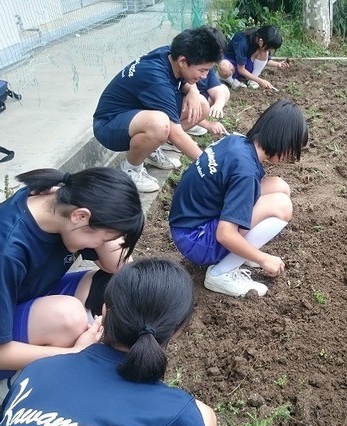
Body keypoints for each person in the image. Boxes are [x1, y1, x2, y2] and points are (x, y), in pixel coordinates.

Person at [0, 167, 144, 385]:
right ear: (80, 216)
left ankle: (48, 353)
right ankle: (24, 382)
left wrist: (111, 222)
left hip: (18, 297)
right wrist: (76, 353)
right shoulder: (1, 254)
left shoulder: (56, 200)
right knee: (68, 316)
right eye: (103, 239)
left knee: (116, 286)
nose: (102, 245)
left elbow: (119, 268)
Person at [0, 258, 218, 426]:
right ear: (178, 329)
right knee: (205, 416)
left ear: (105, 309)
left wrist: (76, 352)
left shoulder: (36, 370)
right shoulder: (179, 415)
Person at [169, 99, 308, 297]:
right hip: (195, 239)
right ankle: (221, 274)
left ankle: (241, 252)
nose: (290, 157)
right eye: (291, 149)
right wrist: (263, 259)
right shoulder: (246, 173)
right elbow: (224, 234)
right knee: (282, 206)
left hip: (187, 222)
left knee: (280, 187)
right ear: (283, 140)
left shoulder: (237, 141)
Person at [93, 26, 227, 193]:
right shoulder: (155, 78)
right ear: (183, 61)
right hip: (108, 125)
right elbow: (176, 133)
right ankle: (131, 169)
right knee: (159, 125)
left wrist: (193, 90)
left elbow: (183, 82)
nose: (205, 76)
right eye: (202, 70)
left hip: (134, 115)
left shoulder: (168, 53)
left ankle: (151, 147)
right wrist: (211, 166)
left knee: (201, 104)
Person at [218, 25, 289, 91]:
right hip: (233, 65)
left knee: (264, 53)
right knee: (223, 66)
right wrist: (260, 81)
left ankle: (251, 80)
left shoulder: (262, 42)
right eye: (269, 48)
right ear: (261, 41)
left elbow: (265, 60)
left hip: (245, 65)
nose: (269, 51)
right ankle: (232, 81)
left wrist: (278, 64)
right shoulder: (242, 42)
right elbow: (241, 70)